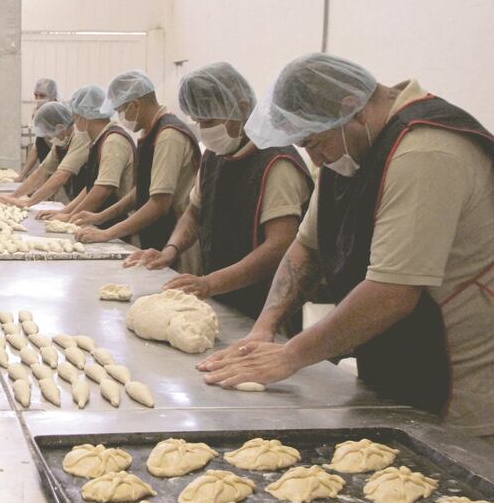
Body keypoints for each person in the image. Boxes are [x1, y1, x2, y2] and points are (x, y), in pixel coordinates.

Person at [199, 53, 494, 449]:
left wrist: (292, 355)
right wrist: (266, 326)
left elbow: (393, 292)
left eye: (314, 143)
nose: (315, 158)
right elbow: (305, 249)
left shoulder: (425, 152)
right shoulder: (350, 150)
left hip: (458, 387)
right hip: (400, 362)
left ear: (349, 110)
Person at [125, 62, 312, 318]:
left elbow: (280, 245)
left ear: (243, 108)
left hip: (267, 308)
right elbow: (194, 212)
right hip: (225, 299)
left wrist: (211, 282)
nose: (204, 131)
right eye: (198, 121)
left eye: (210, 120)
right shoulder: (214, 156)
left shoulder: (275, 162)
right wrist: (171, 249)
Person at [74, 71, 200, 252]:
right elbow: (141, 191)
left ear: (134, 105)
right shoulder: (149, 132)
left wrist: (107, 233)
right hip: (156, 234)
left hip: (177, 239)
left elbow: (159, 204)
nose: (119, 116)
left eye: (120, 110)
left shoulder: (168, 136)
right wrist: (99, 217)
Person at [35, 86, 134, 226]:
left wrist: (70, 217)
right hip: (103, 220)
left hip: (120, 223)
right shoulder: (99, 140)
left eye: (75, 117)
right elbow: (91, 187)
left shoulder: (113, 141)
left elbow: (103, 190)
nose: (74, 122)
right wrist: (66, 213)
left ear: (85, 115)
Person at [0, 101, 89, 208]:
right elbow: (40, 173)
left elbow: (60, 176)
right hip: (79, 200)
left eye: (48, 134)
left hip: (94, 201)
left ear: (59, 127)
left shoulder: (80, 137)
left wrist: (28, 203)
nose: (48, 139)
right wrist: (13, 197)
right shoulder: (60, 142)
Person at [16, 78, 59, 181]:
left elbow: (58, 148)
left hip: (61, 169)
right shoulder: (38, 113)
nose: (38, 99)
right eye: (36, 95)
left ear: (52, 97)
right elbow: (37, 147)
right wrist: (21, 175)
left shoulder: (60, 115)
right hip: (48, 167)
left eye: (42, 96)